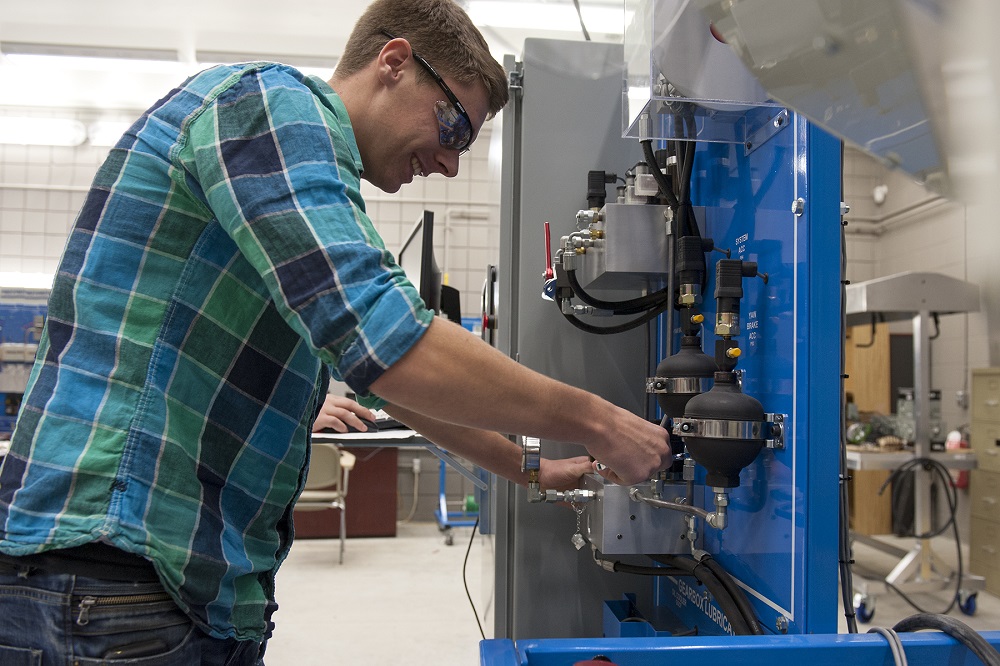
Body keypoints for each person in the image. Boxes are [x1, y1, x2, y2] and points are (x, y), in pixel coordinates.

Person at [0, 0, 672, 663]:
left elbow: (399, 387)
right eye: (454, 127)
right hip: (112, 571)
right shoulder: (269, 104)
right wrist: (599, 420)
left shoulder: (308, 190)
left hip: (175, 589)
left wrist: (532, 469)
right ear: (394, 62)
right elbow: (387, 347)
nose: (450, 162)